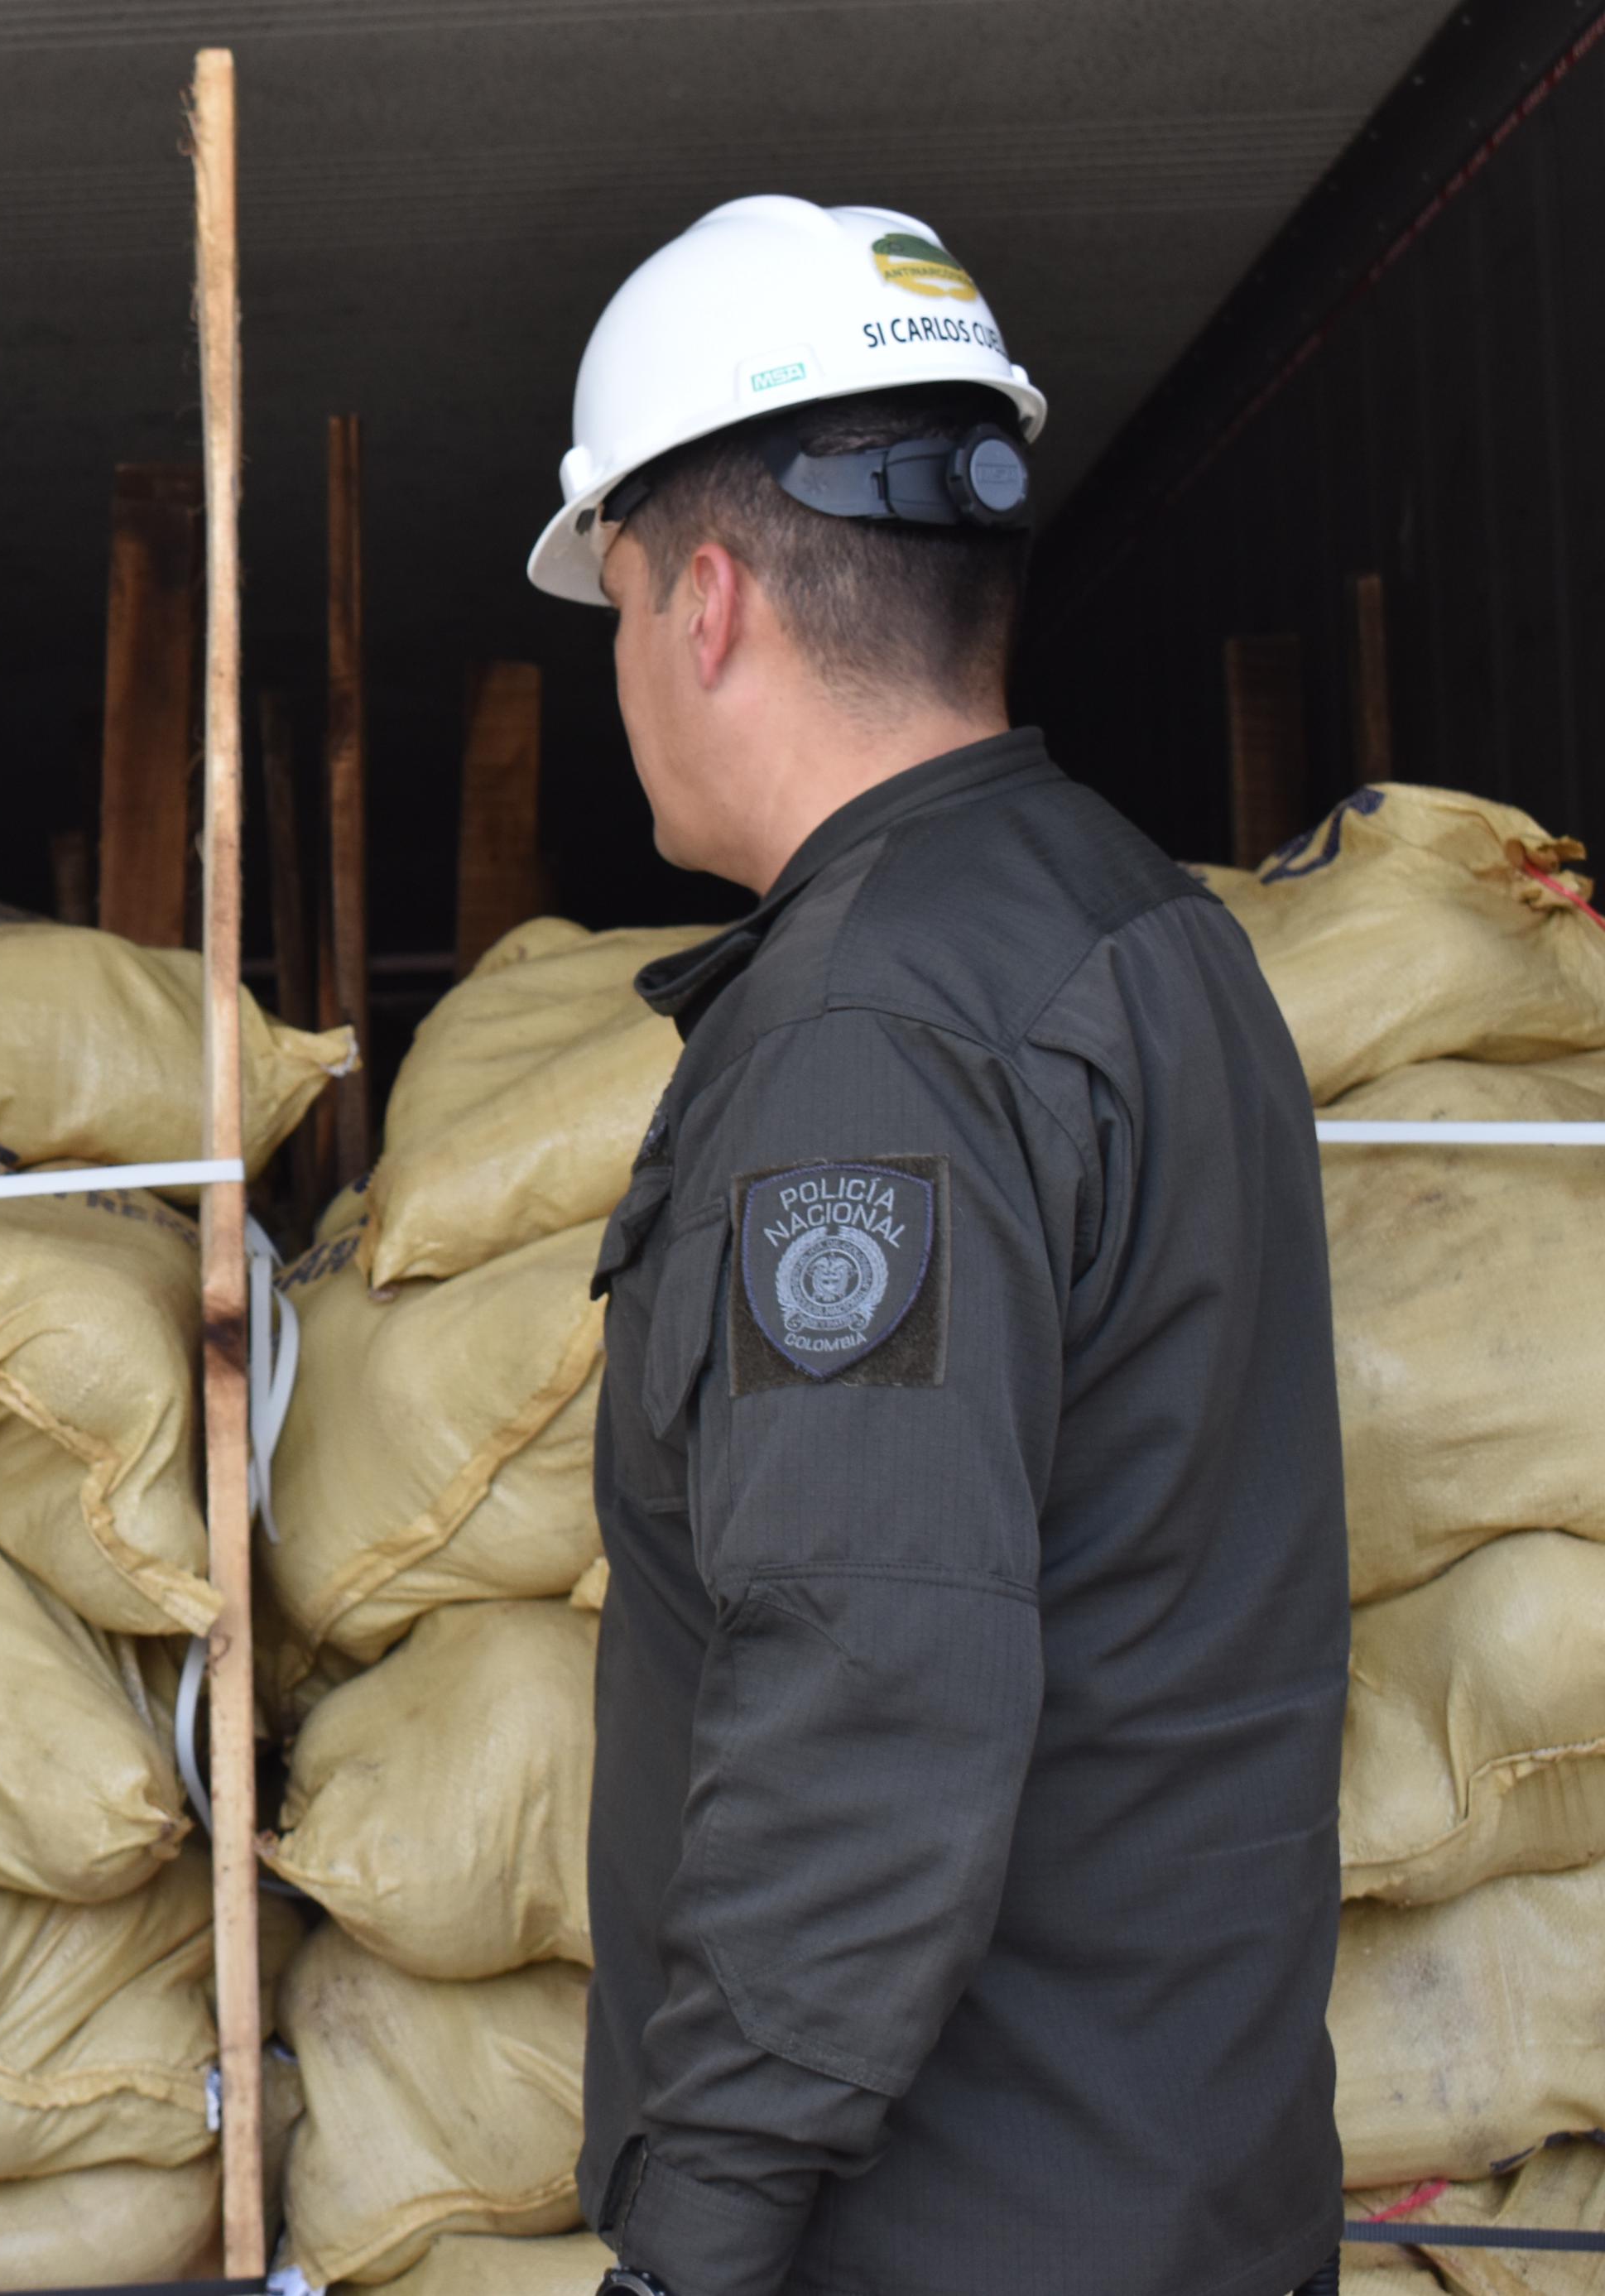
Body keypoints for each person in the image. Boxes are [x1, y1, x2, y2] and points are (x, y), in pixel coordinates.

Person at [529, 199, 1348, 2296]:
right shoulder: (1135, 924)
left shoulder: (864, 1036)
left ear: (704, 603)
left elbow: (869, 1691)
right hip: (1179, 2191)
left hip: (962, 2235)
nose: (613, 667)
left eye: (608, 602)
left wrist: (687, 2248)